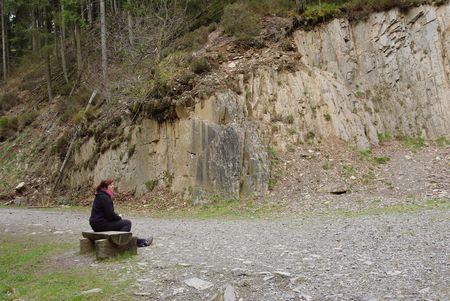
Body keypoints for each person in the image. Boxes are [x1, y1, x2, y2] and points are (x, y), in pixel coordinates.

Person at [89, 179, 152, 247]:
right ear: (105, 187)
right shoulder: (104, 197)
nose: (113, 186)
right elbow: (110, 215)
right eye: (110, 185)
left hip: (97, 224)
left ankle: (141, 241)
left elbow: (107, 213)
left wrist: (117, 217)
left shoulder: (101, 195)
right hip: (100, 224)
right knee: (127, 223)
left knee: (121, 225)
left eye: (113, 184)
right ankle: (120, 244)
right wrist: (119, 217)